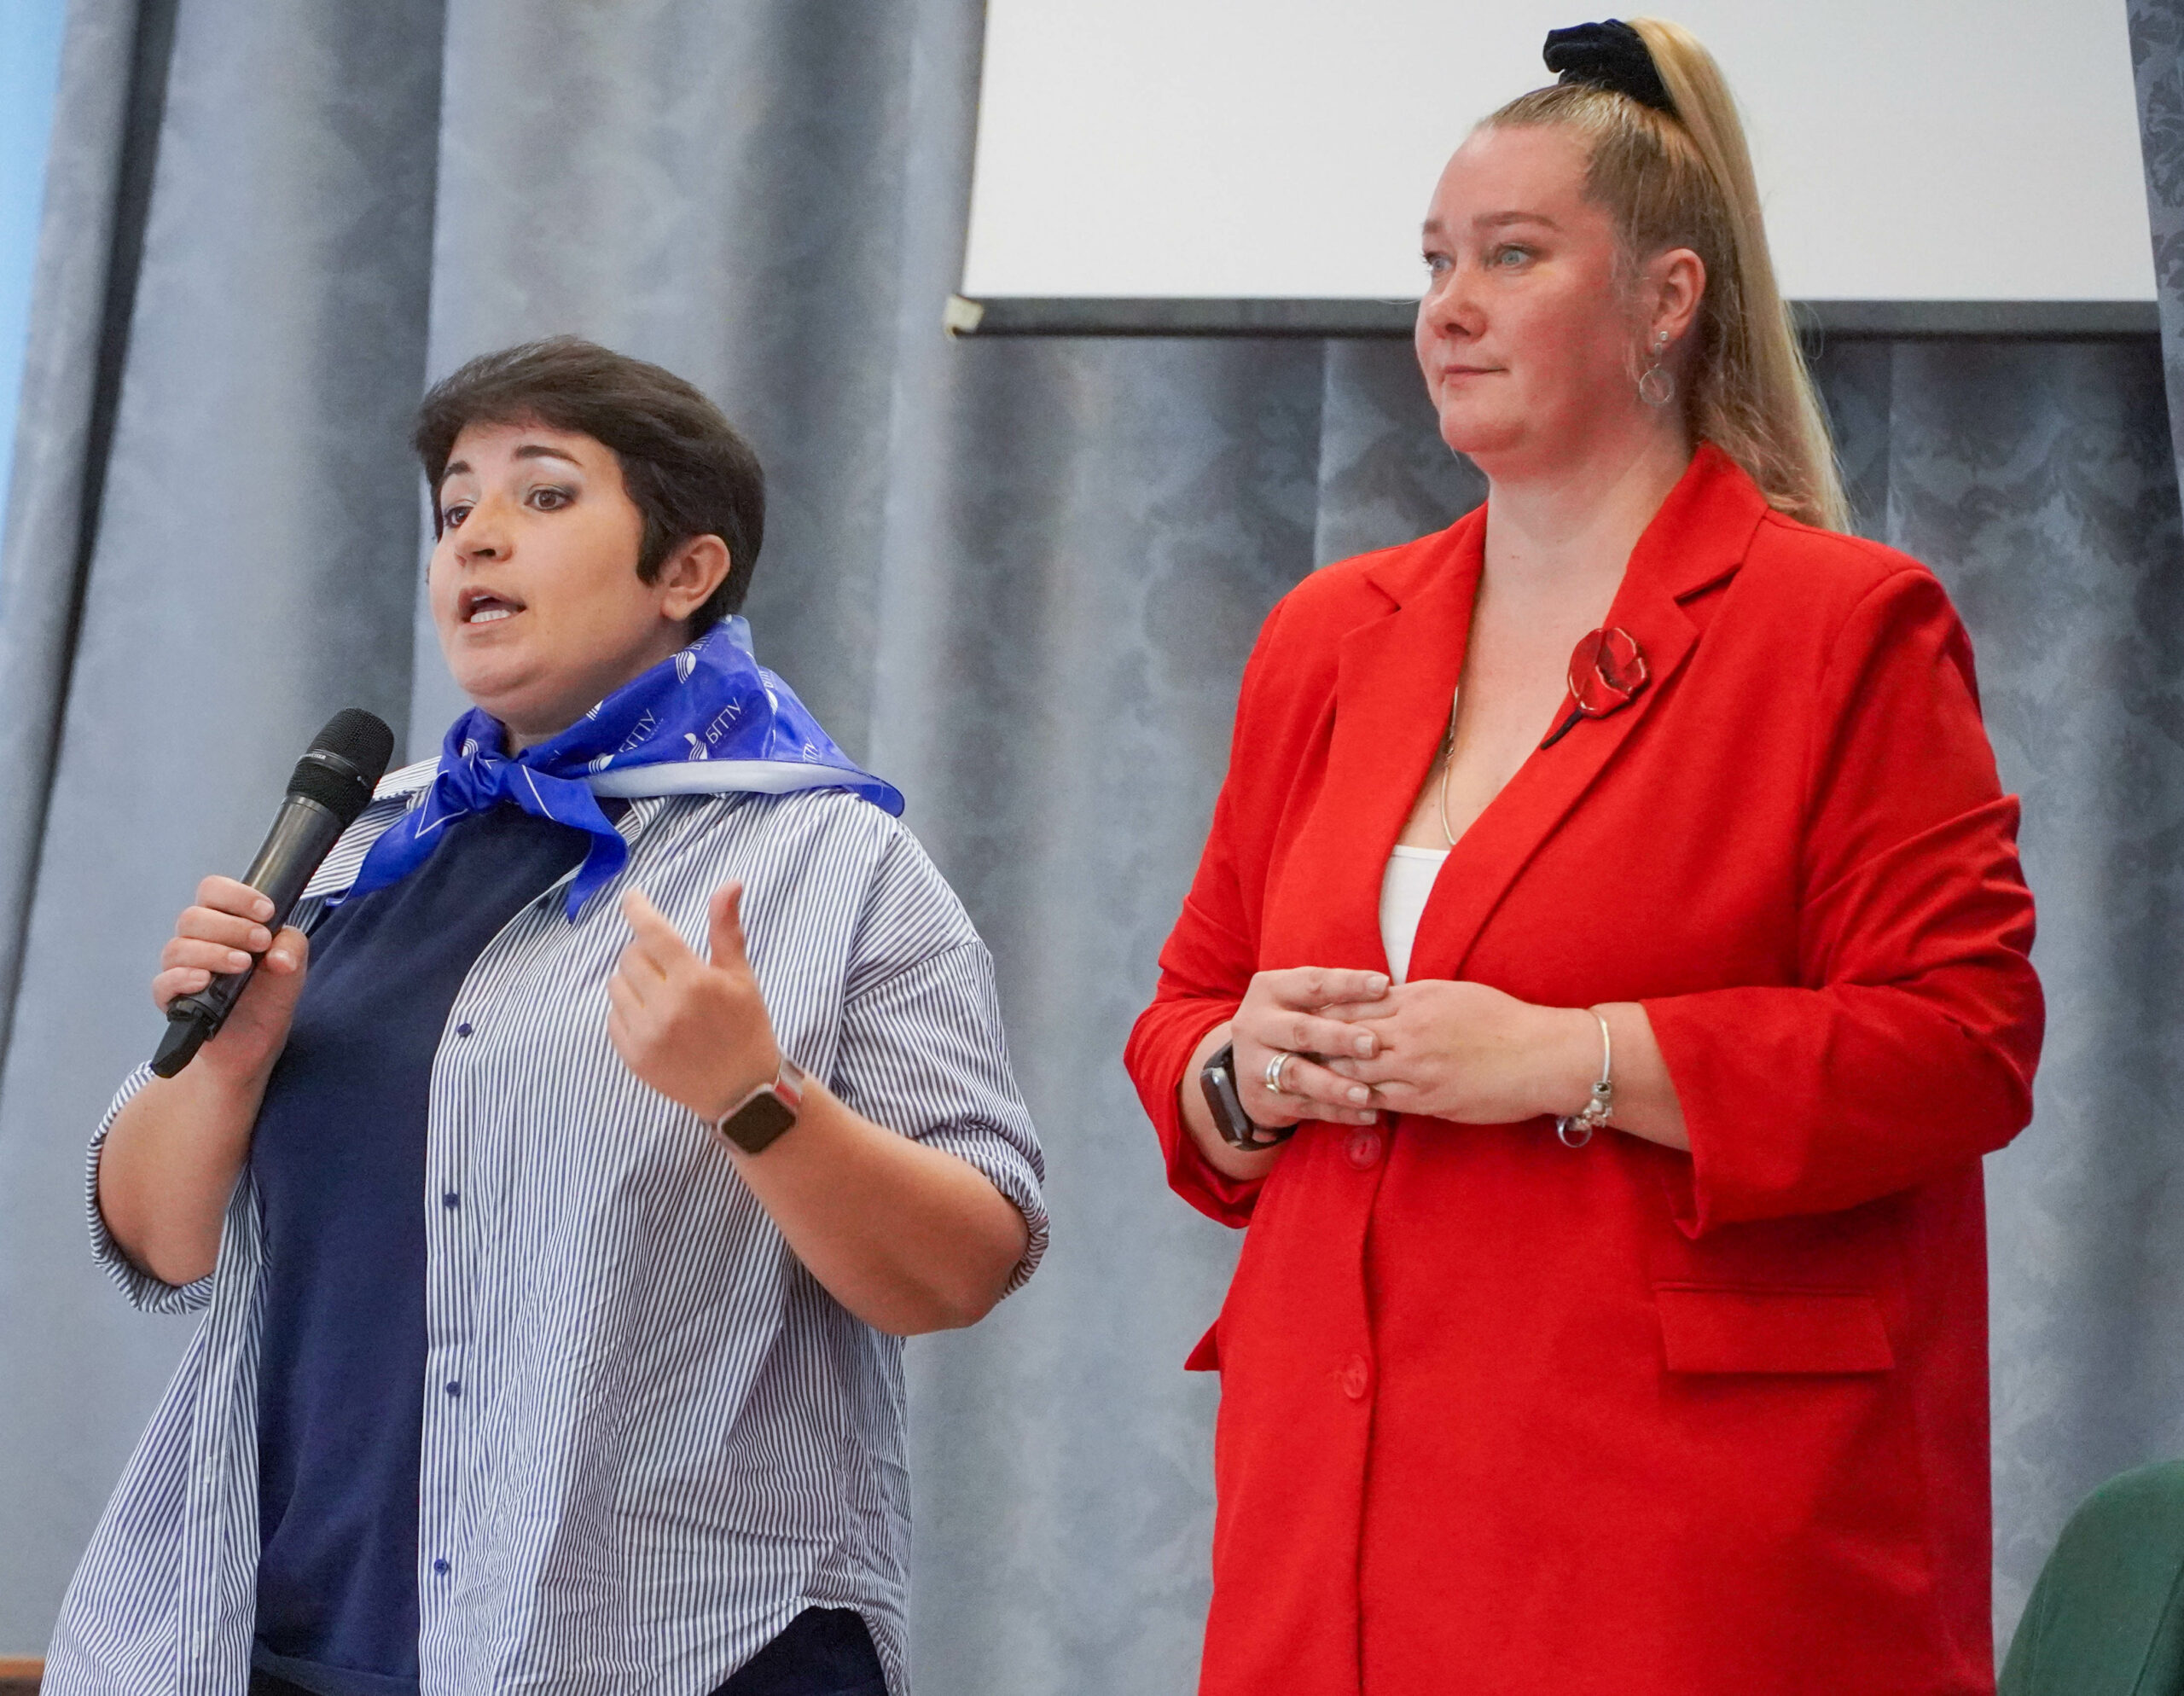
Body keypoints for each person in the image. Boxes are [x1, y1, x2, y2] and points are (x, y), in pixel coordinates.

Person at [1125, 20, 2042, 1696]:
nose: (1446, 307)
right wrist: (1238, 1074)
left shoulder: (1839, 626)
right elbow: (1186, 1006)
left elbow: (1960, 1046)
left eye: (1511, 256)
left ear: (1666, 299)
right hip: (1334, 1518)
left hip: (1682, 1544)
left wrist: (1571, 1056)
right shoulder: (1328, 635)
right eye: (1432, 262)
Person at [48, 337, 1047, 1696]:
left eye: (545, 494)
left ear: (686, 571)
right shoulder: (364, 846)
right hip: (282, 1635)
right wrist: (222, 1067)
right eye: (455, 507)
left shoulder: (834, 858)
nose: (476, 537)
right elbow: (157, 1242)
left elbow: (964, 1268)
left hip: (678, 1650)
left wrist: (754, 1098)